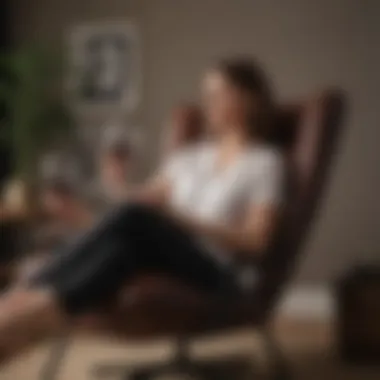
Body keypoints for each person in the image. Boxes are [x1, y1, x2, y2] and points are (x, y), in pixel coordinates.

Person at [0, 57, 284, 363]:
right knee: (121, 249)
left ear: (248, 98)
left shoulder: (264, 162)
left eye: (217, 94)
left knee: (136, 218)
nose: (207, 103)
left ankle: (28, 288)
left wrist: (179, 219)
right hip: (160, 252)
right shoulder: (188, 158)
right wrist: (112, 185)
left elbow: (257, 241)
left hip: (214, 269)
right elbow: (136, 211)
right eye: (206, 95)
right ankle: (27, 320)